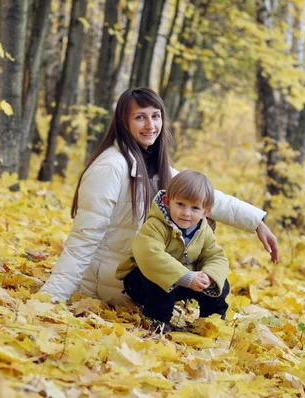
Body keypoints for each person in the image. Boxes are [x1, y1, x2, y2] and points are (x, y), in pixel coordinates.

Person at [40, 87, 279, 305]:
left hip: (139, 280)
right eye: (140, 117)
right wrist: (51, 298)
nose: (150, 125)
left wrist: (256, 222)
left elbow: (205, 198)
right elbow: (83, 239)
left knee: (198, 228)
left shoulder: (153, 166)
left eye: (155, 116)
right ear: (124, 122)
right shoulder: (110, 167)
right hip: (111, 286)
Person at [116, 170, 230, 331]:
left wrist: (208, 276)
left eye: (195, 208)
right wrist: (186, 277)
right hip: (142, 280)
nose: (186, 213)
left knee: (219, 282)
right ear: (168, 201)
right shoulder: (156, 225)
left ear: (206, 212)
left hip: (182, 280)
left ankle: (210, 323)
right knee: (158, 281)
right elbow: (150, 255)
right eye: (180, 204)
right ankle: (157, 321)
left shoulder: (203, 231)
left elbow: (215, 255)